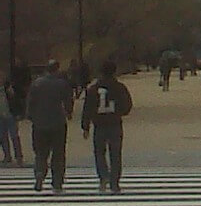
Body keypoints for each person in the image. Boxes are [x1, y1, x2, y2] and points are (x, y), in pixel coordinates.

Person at [81, 61, 133, 194]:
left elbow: (87, 108)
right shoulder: (119, 87)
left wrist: (86, 126)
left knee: (99, 152)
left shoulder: (93, 89)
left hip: (99, 124)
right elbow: (127, 105)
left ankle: (103, 176)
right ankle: (115, 182)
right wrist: (119, 112)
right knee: (115, 153)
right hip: (114, 123)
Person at [25, 60, 74, 194]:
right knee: (58, 153)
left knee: (40, 152)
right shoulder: (62, 84)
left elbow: (30, 102)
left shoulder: (37, 83)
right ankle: (57, 182)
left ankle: (40, 172)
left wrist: (30, 116)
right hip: (57, 122)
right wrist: (69, 112)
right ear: (56, 69)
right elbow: (68, 100)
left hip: (40, 123)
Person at [1, 69, 24, 166]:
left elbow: (16, 101)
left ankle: (18, 156)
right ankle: (7, 156)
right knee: (3, 137)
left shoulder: (9, 89)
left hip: (10, 115)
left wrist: (18, 113)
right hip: (1, 116)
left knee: (14, 136)